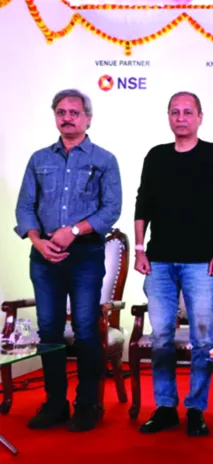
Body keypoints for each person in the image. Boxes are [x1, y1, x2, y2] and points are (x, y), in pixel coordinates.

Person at [14, 89, 122, 432]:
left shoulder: (104, 159)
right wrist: (39, 241)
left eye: (74, 112)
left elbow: (111, 209)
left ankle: (88, 405)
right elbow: (24, 207)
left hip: (85, 255)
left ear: (88, 118)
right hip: (44, 256)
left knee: (86, 329)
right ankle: (55, 404)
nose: (67, 117)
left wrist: (72, 231)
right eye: (61, 112)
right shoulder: (39, 158)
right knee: (49, 330)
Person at [134, 91, 213, 437]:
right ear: (168, 117)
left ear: (200, 117)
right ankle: (165, 406)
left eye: (187, 112)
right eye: (175, 112)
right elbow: (142, 205)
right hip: (160, 262)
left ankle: (196, 409)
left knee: (202, 339)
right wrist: (139, 249)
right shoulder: (156, 156)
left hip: (201, 264)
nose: (181, 117)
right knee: (162, 336)